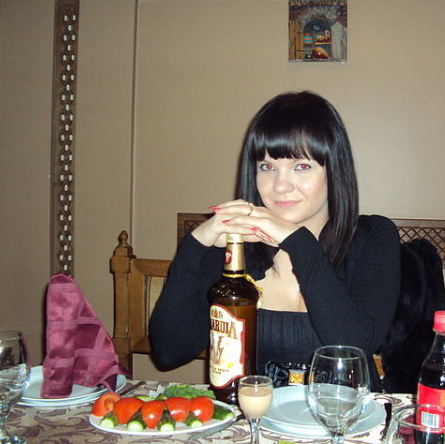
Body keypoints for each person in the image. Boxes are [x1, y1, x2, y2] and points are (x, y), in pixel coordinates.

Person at [149, 91, 401, 391]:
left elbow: (353, 348)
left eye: (302, 166)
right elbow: (170, 352)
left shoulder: (373, 237)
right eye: (267, 167)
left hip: (344, 415)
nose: (280, 186)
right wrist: (195, 245)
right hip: (255, 416)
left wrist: (297, 241)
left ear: (334, 170)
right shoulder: (236, 249)